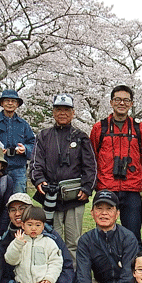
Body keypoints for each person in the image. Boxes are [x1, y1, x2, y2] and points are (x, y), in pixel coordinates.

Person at [30, 93, 97, 260]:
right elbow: (35, 163)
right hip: (51, 196)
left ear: (73, 113)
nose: (62, 113)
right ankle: (55, 278)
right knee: (52, 238)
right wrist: (39, 180)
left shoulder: (81, 136)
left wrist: (87, 187)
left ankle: (74, 278)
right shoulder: (43, 136)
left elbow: (90, 166)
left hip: (75, 196)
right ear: (53, 112)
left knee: (74, 241)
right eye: (58, 109)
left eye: (66, 110)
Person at [90, 85, 142, 247]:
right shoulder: (99, 128)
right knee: (104, 235)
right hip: (106, 188)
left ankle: (135, 271)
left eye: (126, 100)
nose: (121, 103)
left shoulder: (140, 128)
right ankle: (105, 272)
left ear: (131, 104)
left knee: (133, 237)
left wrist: (136, 176)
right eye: (117, 99)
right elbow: (92, 158)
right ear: (111, 102)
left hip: (131, 190)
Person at [73, 190, 139, 283]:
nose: (104, 213)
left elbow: (128, 277)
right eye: (99, 208)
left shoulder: (128, 238)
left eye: (109, 209)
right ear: (92, 213)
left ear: (117, 214)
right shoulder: (85, 240)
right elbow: (82, 276)